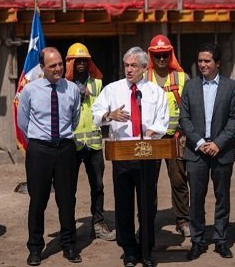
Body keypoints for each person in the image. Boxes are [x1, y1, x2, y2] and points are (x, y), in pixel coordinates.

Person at [92, 47, 168, 267]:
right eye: (126, 65)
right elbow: (96, 114)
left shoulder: (154, 91)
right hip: (122, 156)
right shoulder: (112, 89)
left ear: (144, 68)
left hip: (147, 155)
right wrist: (109, 115)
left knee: (147, 207)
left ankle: (146, 250)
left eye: (134, 65)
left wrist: (151, 132)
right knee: (123, 206)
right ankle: (129, 252)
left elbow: (163, 120)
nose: (129, 69)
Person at [17, 47, 82, 266]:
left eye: (61, 64)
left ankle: (69, 245)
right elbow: (22, 122)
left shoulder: (72, 89)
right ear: (42, 67)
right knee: (38, 201)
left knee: (67, 200)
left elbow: (75, 117)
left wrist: (61, 139)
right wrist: (38, 141)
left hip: (65, 149)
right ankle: (35, 248)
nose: (58, 68)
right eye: (53, 65)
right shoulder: (30, 90)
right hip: (39, 151)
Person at [180, 43, 235, 260]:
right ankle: (197, 241)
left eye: (207, 61)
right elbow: (184, 118)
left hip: (221, 152)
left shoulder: (231, 86)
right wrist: (198, 142)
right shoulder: (190, 87)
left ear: (218, 63)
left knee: (222, 197)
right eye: (200, 61)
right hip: (196, 152)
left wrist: (218, 143)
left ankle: (221, 240)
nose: (203, 65)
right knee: (196, 199)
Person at [65, 43, 116, 241]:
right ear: (70, 62)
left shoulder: (97, 84)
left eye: (85, 60)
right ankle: (69, 227)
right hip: (72, 144)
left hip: (94, 144)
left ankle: (98, 223)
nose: (82, 64)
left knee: (98, 186)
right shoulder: (63, 85)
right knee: (69, 188)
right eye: (77, 60)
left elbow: (103, 109)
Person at [145, 35, 191, 237]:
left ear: (170, 55)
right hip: (151, 140)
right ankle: (148, 220)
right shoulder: (143, 77)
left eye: (165, 55)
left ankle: (182, 220)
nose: (161, 59)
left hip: (175, 138)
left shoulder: (182, 78)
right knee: (148, 181)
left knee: (179, 179)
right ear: (151, 56)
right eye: (157, 55)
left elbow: (190, 108)